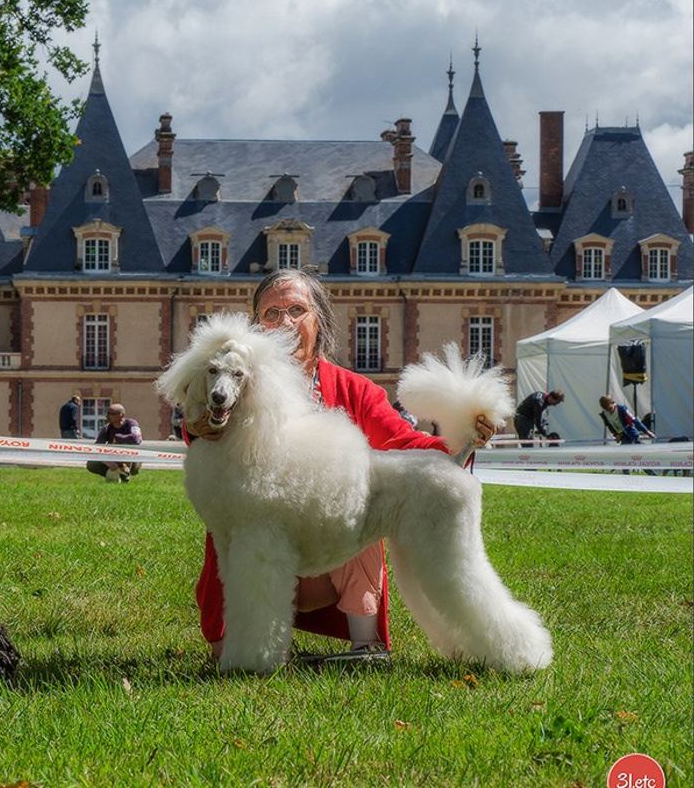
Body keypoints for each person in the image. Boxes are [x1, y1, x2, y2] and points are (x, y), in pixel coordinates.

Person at [190, 268, 494, 662]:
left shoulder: (355, 391)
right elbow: (203, 432)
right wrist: (198, 426)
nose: (284, 321)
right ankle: (249, 641)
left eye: (297, 309)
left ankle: (364, 646)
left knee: (360, 496)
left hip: (328, 562)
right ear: (255, 326)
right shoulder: (233, 388)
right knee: (246, 542)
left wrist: (464, 439)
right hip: (258, 549)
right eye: (270, 313)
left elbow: (405, 444)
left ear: (319, 321)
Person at [86, 403, 142, 482]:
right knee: (91, 464)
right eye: (107, 413)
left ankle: (126, 472)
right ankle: (117, 475)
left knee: (127, 445)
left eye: (111, 414)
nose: (107, 416)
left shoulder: (131, 423)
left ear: (121, 415)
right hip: (113, 457)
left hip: (132, 458)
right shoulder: (106, 428)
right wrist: (107, 462)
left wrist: (118, 437)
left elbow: (137, 439)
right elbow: (97, 448)